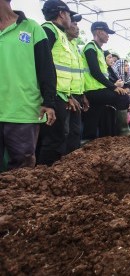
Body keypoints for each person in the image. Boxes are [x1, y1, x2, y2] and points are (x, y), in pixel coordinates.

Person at [0, 0, 56, 170]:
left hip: (22, 110)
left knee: (22, 168)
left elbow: (46, 67)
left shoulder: (32, 28)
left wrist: (49, 102)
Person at [38, 0, 78, 166]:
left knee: (59, 137)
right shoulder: (48, 30)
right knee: (53, 139)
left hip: (60, 94)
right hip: (51, 95)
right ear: (62, 14)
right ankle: (45, 175)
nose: (70, 19)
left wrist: (67, 95)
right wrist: (49, 99)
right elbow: (42, 65)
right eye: (69, 14)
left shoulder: (60, 34)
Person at [81, 21, 130, 140]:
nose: (108, 36)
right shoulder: (90, 47)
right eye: (106, 33)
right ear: (98, 32)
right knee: (122, 97)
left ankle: (88, 142)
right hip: (93, 90)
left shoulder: (99, 50)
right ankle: (123, 130)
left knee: (92, 121)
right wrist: (113, 87)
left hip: (98, 89)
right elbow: (95, 72)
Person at [65, 13, 89, 154]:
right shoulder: (61, 44)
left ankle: (73, 161)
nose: (77, 27)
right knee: (64, 132)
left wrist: (83, 95)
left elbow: (78, 73)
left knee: (75, 131)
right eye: (73, 23)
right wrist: (67, 95)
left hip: (77, 94)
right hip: (66, 95)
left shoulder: (75, 46)